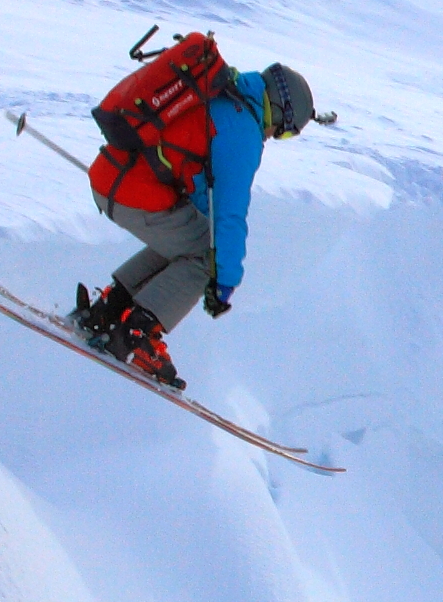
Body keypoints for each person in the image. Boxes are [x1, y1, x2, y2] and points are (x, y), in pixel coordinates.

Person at [68, 31, 317, 391]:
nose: (276, 136)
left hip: (112, 175)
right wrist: (225, 281)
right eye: (286, 131)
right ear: (278, 109)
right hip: (132, 191)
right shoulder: (242, 130)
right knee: (205, 255)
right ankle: (138, 332)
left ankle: (108, 311)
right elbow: (230, 215)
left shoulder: (219, 93)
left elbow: (202, 197)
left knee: (188, 236)